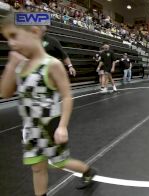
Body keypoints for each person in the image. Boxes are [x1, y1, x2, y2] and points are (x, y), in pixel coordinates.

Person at [0, 11, 97, 196]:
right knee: (37, 168)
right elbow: (4, 93)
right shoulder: (19, 66)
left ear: (35, 32)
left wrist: (62, 126)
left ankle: (87, 171)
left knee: (60, 163)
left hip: (50, 127)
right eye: (6, 38)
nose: (10, 43)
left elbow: (67, 96)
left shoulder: (51, 64)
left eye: (14, 36)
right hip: (30, 129)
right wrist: (11, 65)